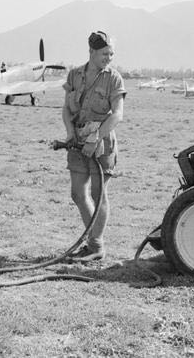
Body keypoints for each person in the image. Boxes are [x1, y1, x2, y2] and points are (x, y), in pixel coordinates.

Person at [61, 30, 126, 261]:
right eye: (104, 53)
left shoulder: (114, 78)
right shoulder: (74, 75)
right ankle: (91, 242)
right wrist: (70, 132)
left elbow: (117, 114)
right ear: (91, 52)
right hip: (77, 140)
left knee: (99, 194)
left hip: (102, 141)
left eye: (111, 53)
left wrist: (96, 138)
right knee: (78, 194)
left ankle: (96, 245)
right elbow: (67, 109)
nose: (109, 58)